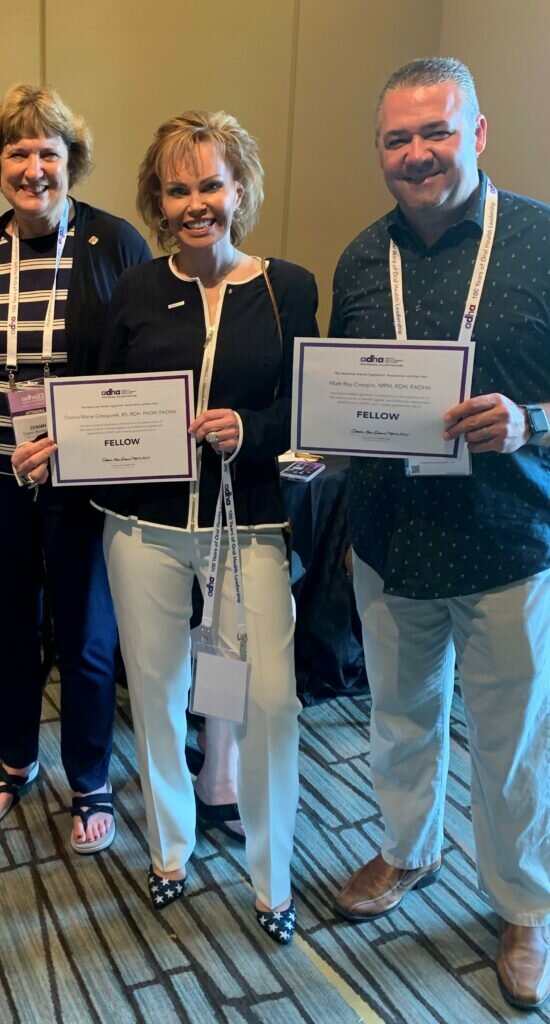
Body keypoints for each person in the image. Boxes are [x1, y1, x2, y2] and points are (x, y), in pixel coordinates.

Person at [329, 57, 549, 1011]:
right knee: (402, 715)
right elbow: (346, 390)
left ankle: (524, 908)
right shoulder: (357, 257)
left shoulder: (541, 240)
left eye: (436, 132)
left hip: (509, 540)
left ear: (478, 133)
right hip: (391, 539)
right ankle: (405, 850)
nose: (417, 154)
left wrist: (532, 419)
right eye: (397, 138)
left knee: (514, 739)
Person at [95, 111, 317, 935]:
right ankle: (170, 851)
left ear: (241, 187)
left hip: (248, 525)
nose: (196, 203)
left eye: (211, 184)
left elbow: (304, 404)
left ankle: (272, 877)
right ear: (159, 200)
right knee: (157, 692)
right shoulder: (135, 288)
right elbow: (102, 398)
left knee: (270, 700)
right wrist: (63, 441)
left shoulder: (285, 286)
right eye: (178, 188)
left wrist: (249, 430)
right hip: (144, 527)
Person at [0, 84, 150, 852]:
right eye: (18, 153)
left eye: (48, 153)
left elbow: (135, 370)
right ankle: (14, 760)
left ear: (71, 163)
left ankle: (90, 775)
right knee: (10, 630)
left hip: (84, 484)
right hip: (1, 479)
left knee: (87, 638)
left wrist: (78, 439)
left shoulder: (115, 243)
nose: (33, 168)